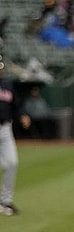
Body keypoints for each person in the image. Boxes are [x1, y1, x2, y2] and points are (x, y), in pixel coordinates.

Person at [0, 55, 30, 215]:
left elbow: (16, 105)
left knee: (11, 162)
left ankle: (6, 201)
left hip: (5, 128)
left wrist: (23, 115)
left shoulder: (7, 84)